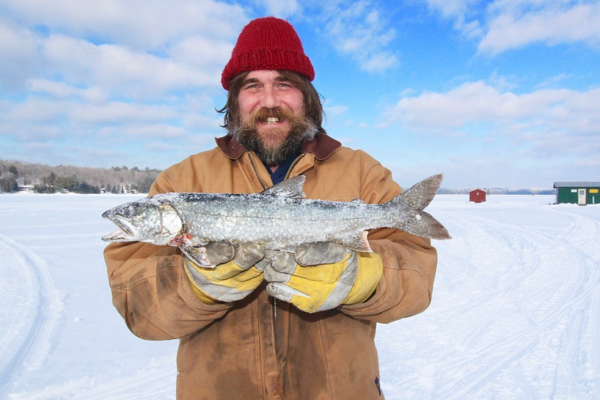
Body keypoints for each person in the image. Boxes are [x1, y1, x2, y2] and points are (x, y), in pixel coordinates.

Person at [104, 16, 438, 400]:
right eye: (252, 85)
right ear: (234, 100)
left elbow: (418, 279)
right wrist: (196, 285)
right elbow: (137, 307)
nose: (270, 101)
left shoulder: (363, 171)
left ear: (307, 96)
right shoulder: (181, 180)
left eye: (284, 83)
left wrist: (361, 280)